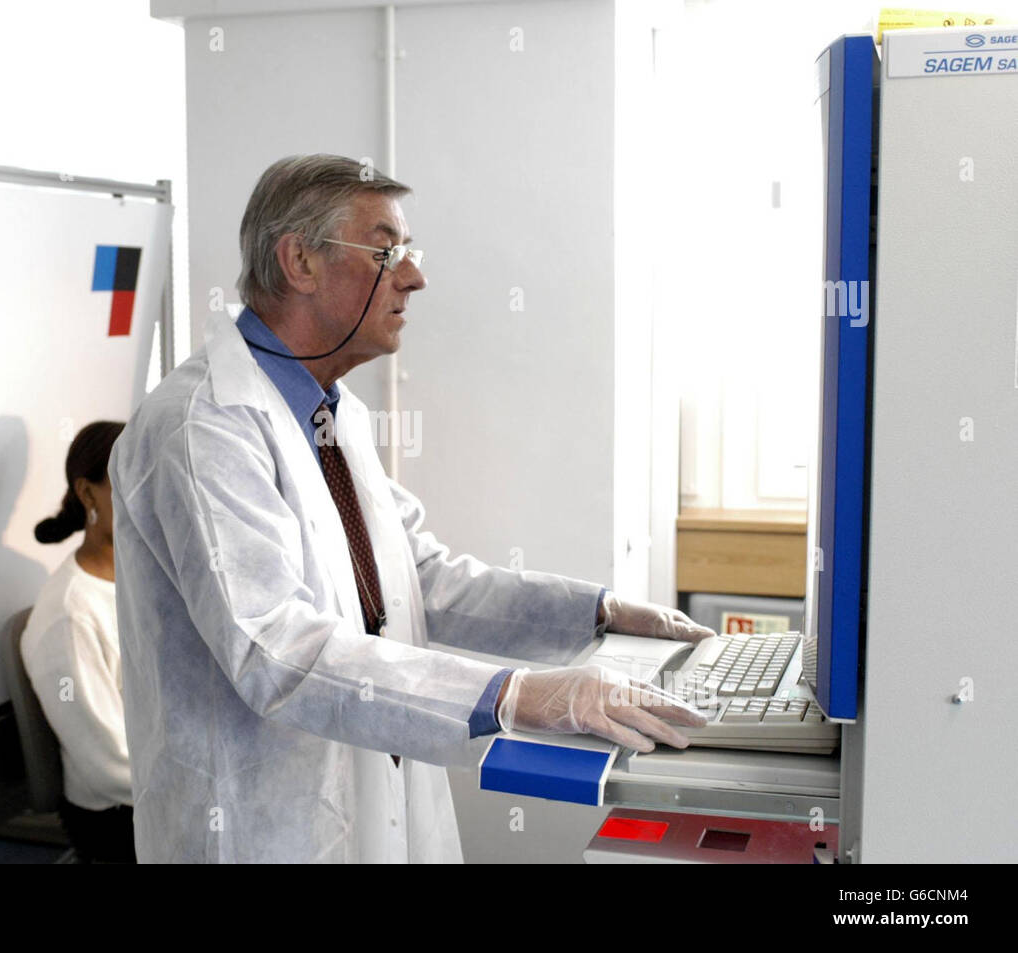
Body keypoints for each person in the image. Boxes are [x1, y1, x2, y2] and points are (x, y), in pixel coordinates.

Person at [108, 154, 714, 864]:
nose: (414, 276)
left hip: (372, 807)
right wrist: (517, 695)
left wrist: (597, 612)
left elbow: (421, 578)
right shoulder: (202, 426)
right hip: (254, 832)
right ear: (299, 260)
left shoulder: (335, 415)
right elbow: (275, 649)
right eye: (386, 250)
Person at [22, 420, 135, 863]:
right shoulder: (70, 614)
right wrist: (207, 786)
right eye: (128, 480)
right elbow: (112, 765)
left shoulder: (142, 578)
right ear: (88, 495)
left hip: (162, 789)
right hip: (118, 820)